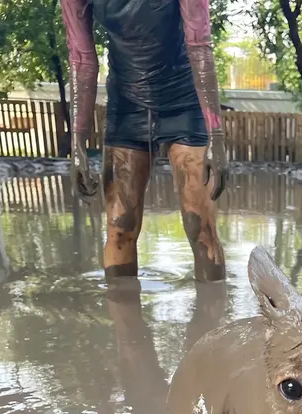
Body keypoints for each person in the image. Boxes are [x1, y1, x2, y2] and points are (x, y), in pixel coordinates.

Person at [60, 0, 227, 281]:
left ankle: (213, 320)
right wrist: (77, 144)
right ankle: (123, 323)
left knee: (200, 224)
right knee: (119, 226)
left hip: (183, 99)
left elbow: (199, 46)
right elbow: (81, 57)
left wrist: (217, 137)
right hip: (126, 104)